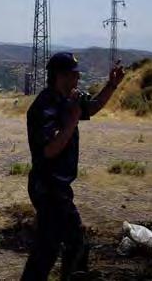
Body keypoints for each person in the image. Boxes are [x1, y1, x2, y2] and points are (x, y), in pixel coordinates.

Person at [21, 52, 125, 281]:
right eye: (74, 75)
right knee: (54, 247)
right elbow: (49, 150)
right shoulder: (43, 107)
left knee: (71, 242)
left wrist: (112, 85)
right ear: (60, 76)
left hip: (59, 187)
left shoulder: (72, 99)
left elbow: (94, 106)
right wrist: (72, 120)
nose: (78, 79)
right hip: (46, 186)